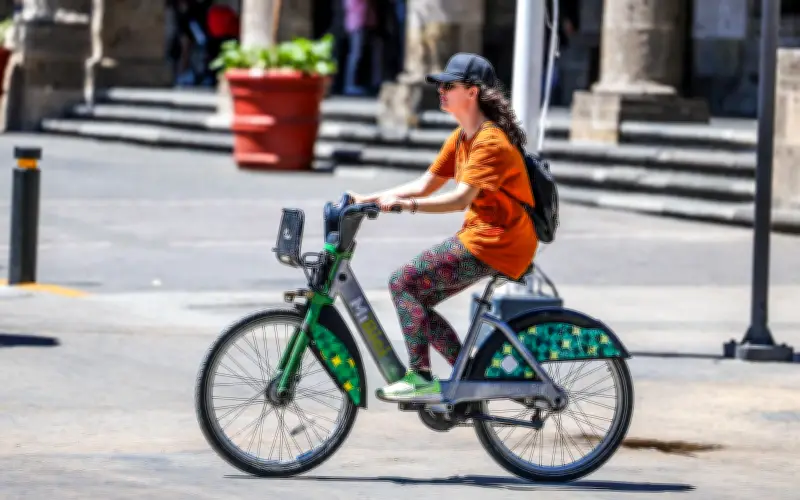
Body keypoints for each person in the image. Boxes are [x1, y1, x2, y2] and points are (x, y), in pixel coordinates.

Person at [347, 53, 539, 402]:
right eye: (440, 85)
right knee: (416, 296)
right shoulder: (462, 137)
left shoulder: (489, 142)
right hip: (482, 236)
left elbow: (459, 199)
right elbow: (424, 184)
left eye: (449, 85)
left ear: (473, 92)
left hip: (498, 241)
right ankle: (470, 378)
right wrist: (368, 200)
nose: (441, 91)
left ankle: (420, 376)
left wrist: (407, 207)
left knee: (403, 283)